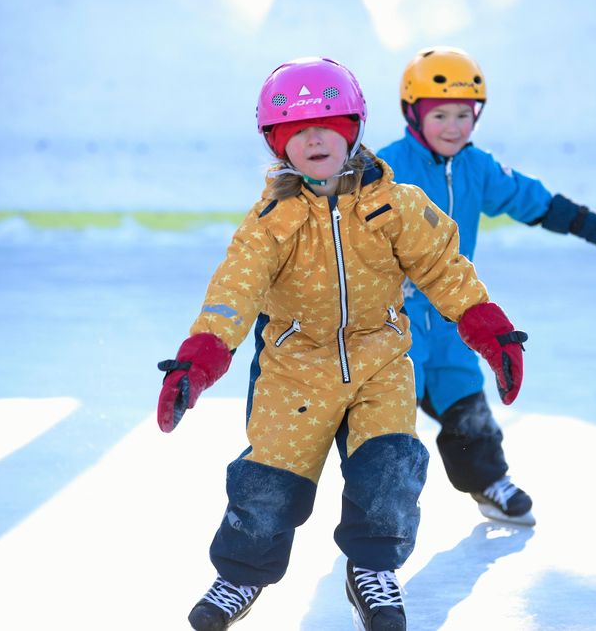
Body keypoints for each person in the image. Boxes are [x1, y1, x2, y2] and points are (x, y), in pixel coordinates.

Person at [155, 56, 529, 631]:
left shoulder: (397, 206)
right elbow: (233, 291)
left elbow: (444, 268)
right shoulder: (269, 222)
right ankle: (241, 575)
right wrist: (201, 358)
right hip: (294, 369)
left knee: (389, 472)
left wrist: (488, 327)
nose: (314, 138)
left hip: (381, 361)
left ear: (353, 129)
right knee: (269, 482)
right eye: (296, 130)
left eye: (328, 124)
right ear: (277, 143)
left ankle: (372, 572)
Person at [377, 46, 596, 527]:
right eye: (440, 114)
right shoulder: (387, 168)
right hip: (394, 318)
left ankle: (487, 481)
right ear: (413, 114)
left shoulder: (477, 167)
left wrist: (581, 221)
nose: (453, 127)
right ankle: (378, 506)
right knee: (390, 414)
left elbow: (525, 197)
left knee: (466, 399)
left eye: (464, 115)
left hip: (452, 314)